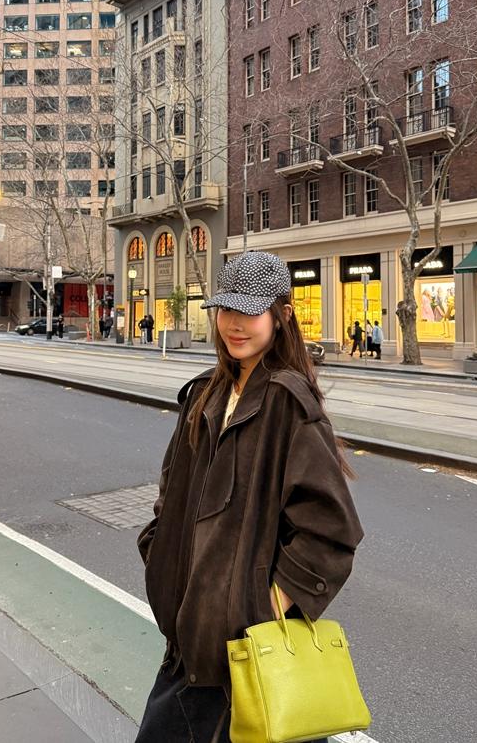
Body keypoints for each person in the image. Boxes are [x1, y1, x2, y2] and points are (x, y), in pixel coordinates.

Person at [135, 250, 363, 743]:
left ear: (281, 316)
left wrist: (263, 609)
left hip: (244, 646)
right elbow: (171, 491)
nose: (234, 324)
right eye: (226, 309)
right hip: (189, 635)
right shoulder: (203, 393)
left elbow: (330, 529)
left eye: (250, 310)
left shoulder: (288, 401)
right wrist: (159, 554)